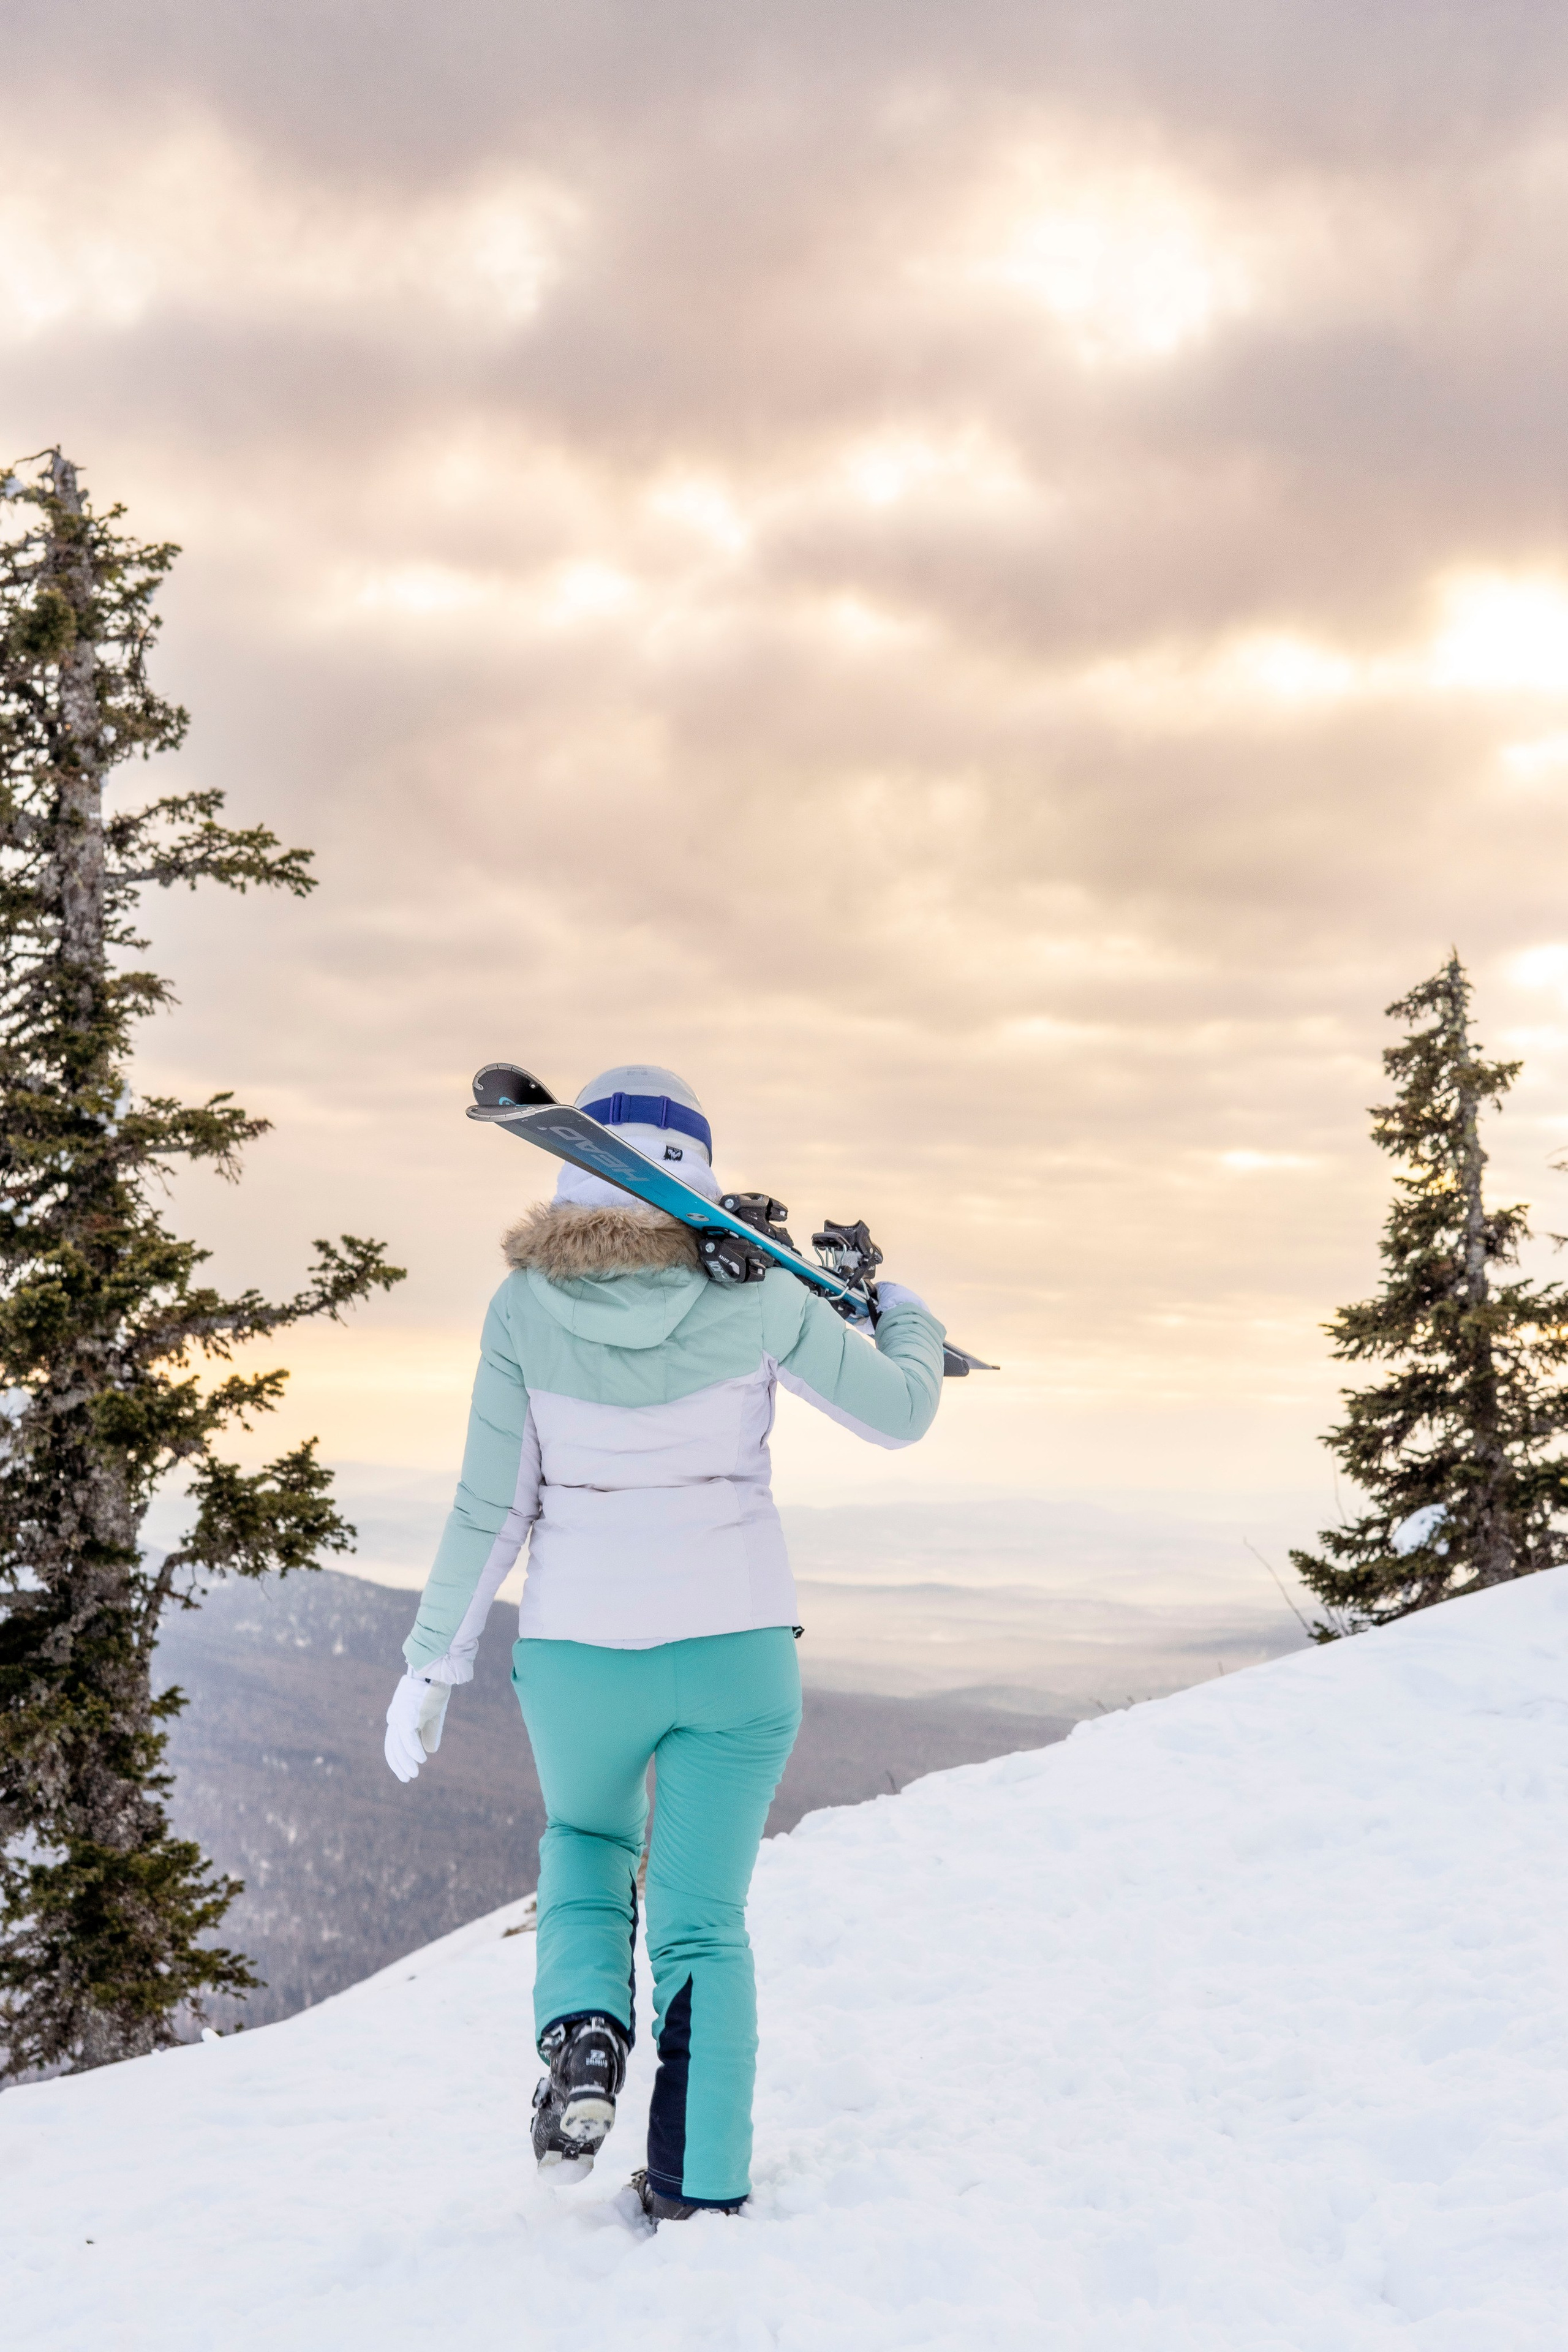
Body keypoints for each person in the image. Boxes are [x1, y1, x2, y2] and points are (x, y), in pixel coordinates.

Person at [384, 1063, 946, 2222]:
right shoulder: (759, 1296)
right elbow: (900, 1412)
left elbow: (490, 1507)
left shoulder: (521, 1313)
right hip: (738, 1650)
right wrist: (901, 1310)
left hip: (585, 1653)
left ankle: (585, 2029)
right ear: (702, 1175)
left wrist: (432, 1661)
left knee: (589, 1843)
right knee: (704, 1919)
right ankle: (698, 2184)